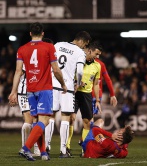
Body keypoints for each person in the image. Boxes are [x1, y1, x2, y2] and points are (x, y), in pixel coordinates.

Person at [8, 22, 67, 161]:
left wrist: (13, 91)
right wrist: (63, 84)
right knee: (44, 121)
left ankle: (43, 153)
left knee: (36, 121)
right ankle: (26, 148)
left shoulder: (22, 49)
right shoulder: (49, 47)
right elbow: (56, 69)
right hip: (44, 89)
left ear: (30, 33)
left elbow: (18, 71)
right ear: (43, 33)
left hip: (30, 89)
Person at [52, 31, 91, 158]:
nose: (84, 47)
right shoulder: (80, 52)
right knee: (65, 117)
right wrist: (78, 84)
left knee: (50, 117)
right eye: (85, 45)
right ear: (84, 42)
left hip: (52, 85)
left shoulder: (58, 45)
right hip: (67, 88)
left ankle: (46, 148)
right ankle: (63, 151)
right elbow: (79, 71)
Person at [66, 41, 102, 155]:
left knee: (87, 122)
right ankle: (66, 146)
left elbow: (96, 84)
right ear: (90, 51)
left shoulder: (97, 66)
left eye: (99, 55)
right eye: (96, 54)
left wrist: (97, 100)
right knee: (71, 118)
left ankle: (85, 148)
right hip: (75, 93)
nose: (98, 57)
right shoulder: (78, 60)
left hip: (87, 95)